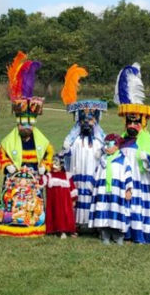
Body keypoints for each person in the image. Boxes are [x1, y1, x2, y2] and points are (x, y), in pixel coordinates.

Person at [0, 52, 53, 237]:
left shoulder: (42, 140)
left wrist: (45, 166)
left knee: (33, 202)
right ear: (18, 123)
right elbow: (2, 154)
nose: (25, 127)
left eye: (28, 123)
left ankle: (35, 219)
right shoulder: (9, 139)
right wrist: (8, 167)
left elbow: (49, 154)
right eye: (22, 123)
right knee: (13, 200)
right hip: (15, 178)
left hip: (33, 177)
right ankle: (12, 219)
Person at [113, 63, 150, 244]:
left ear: (143, 123)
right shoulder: (121, 139)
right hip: (126, 183)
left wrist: (146, 158)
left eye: (136, 123)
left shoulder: (147, 140)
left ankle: (140, 233)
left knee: (139, 206)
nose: (132, 125)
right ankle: (125, 231)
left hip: (141, 182)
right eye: (129, 122)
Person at [59, 64, 106, 232]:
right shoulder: (74, 140)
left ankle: (93, 223)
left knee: (92, 192)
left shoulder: (100, 140)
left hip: (92, 176)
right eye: (84, 119)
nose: (88, 122)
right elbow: (65, 155)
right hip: (78, 174)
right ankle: (75, 223)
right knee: (76, 193)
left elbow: (105, 158)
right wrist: (65, 151)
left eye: (91, 119)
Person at [89, 133, 133, 245]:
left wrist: (129, 189)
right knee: (104, 210)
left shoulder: (123, 160)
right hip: (103, 191)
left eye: (110, 145)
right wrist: (93, 187)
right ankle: (105, 235)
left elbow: (128, 174)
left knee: (116, 210)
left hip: (117, 191)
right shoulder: (102, 160)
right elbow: (96, 174)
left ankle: (118, 236)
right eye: (105, 144)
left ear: (117, 146)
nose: (106, 147)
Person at [45, 155, 78, 238]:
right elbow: (42, 182)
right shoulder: (49, 175)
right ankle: (58, 231)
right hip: (54, 201)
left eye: (57, 165)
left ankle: (69, 230)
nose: (55, 167)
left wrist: (73, 199)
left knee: (67, 215)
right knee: (56, 214)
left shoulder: (66, 175)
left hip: (65, 201)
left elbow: (72, 188)